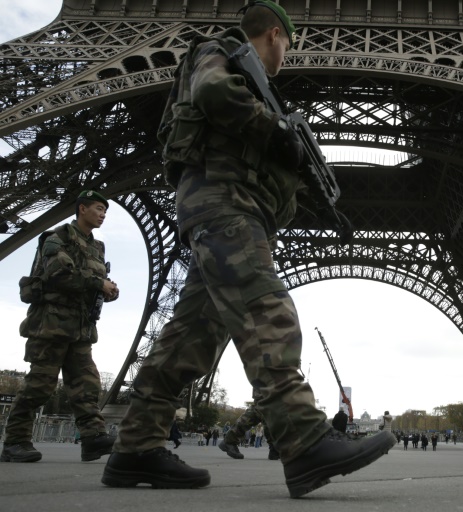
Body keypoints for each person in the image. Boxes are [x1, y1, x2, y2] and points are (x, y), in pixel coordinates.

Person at [100, 1, 395, 497]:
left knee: (191, 336)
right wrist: (279, 131)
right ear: (275, 34)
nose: (286, 58)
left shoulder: (249, 84)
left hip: (226, 204)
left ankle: (135, 446)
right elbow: (213, 91)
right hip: (224, 201)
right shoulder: (218, 54)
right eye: (288, 46)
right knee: (265, 307)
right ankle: (303, 440)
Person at [1, 190, 119, 464]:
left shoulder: (97, 247)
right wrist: (96, 283)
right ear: (82, 208)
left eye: (105, 211)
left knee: (87, 385)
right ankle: (15, 441)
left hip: (80, 328)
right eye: (99, 208)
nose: (102, 215)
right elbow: (57, 274)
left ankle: (92, 438)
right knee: (39, 386)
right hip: (51, 325)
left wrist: (109, 291)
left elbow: (90, 283)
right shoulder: (57, 238)